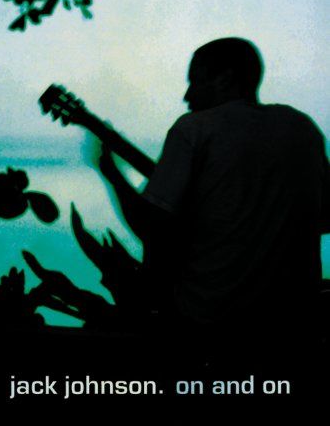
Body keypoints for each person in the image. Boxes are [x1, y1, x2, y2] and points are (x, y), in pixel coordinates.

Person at [98, 38, 330, 344]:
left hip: (209, 322)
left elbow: (151, 230)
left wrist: (111, 173)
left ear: (225, 78)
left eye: (195, 81)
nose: (187, 95)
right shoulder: (303, 129)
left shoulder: (193, 129)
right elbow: (325, 220)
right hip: (295, 323)